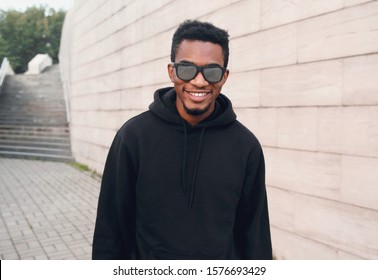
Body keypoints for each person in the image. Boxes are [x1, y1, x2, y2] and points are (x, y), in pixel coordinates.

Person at [92, 19, 272, 260]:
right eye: (187, 69)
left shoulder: (246, 146)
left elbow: (254, 234)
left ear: (224, 76)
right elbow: (110, 228)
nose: (199, 81)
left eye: (212, 71)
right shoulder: (133, 137)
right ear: (171, 71)